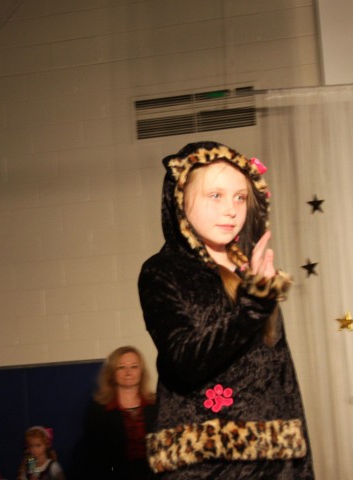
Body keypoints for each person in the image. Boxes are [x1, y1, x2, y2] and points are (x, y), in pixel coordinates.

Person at [137, 141, 314, 478]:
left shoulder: (250, 273)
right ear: (180, 199)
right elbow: (183, 363)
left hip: (273, 462)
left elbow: (283, 381)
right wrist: (254, 305)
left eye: (240, 197)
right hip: (205, 465)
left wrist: (301, 467)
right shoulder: (163, 271)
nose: (231, 210)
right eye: (215, 195)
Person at [73, 346, 158, 479]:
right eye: (121, 367)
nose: (128, 372)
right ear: (112, 373)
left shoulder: (155, 405)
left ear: (142, 372)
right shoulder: (98, 409)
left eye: (134, 366)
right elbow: (93, 455)